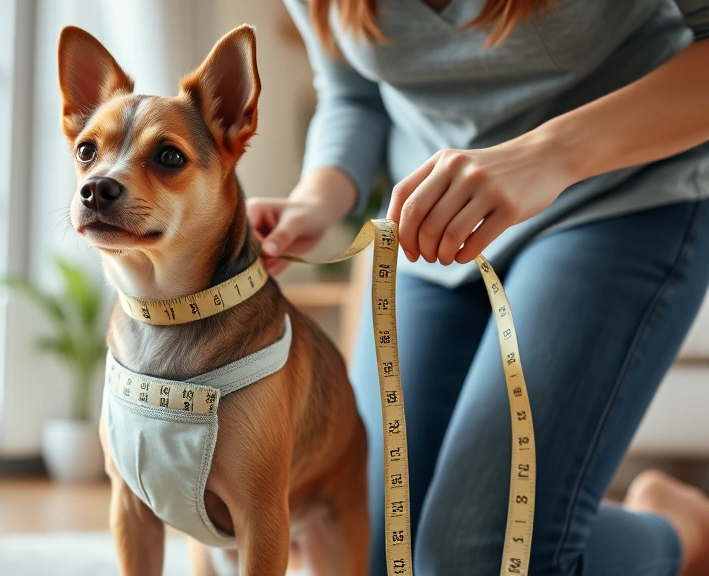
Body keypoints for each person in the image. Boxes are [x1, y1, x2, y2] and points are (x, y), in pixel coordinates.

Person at [247, 1, 709, 575]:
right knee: (372, 548)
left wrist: (547, 155)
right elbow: (355, 95)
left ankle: (681, 537)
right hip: (435, 236)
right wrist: (316, 200)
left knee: (480, 559)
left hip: (620, 195)